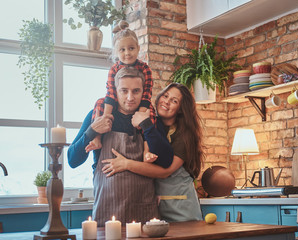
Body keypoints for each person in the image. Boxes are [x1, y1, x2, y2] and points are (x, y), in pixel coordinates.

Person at [67, 67, 172, 226]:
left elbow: (166, 161)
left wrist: (146, 126)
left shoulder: (149, 119)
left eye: (136, 91)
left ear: (143, 92)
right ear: (115, 91)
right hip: (107, 211)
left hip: (144, 210)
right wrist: (92, 131)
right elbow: (72, 160)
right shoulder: (98, 115)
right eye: (124, 91)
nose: (130, 97)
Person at [101, 83, 204, 222]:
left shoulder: (185, 135)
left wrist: (126, 164)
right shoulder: (154, 126)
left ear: (181, 109)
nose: (166, 101)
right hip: (157, 206)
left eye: (174, 101)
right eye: (166, 96)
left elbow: (165, 171)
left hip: (182, 207)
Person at [86, 20, 155, 153]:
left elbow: (146, 94)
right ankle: (97, 138)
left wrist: (140, 116)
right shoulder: (114, 69)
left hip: (140, 106)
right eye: (122, 50)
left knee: (150, 112)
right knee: (100, 103)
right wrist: (106, 118)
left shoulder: (145, 68)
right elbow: (111, 93)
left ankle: (147, 149)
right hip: (115, 105)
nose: (127, 53)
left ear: (138, 48)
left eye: (131, 48)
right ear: (116, 52)